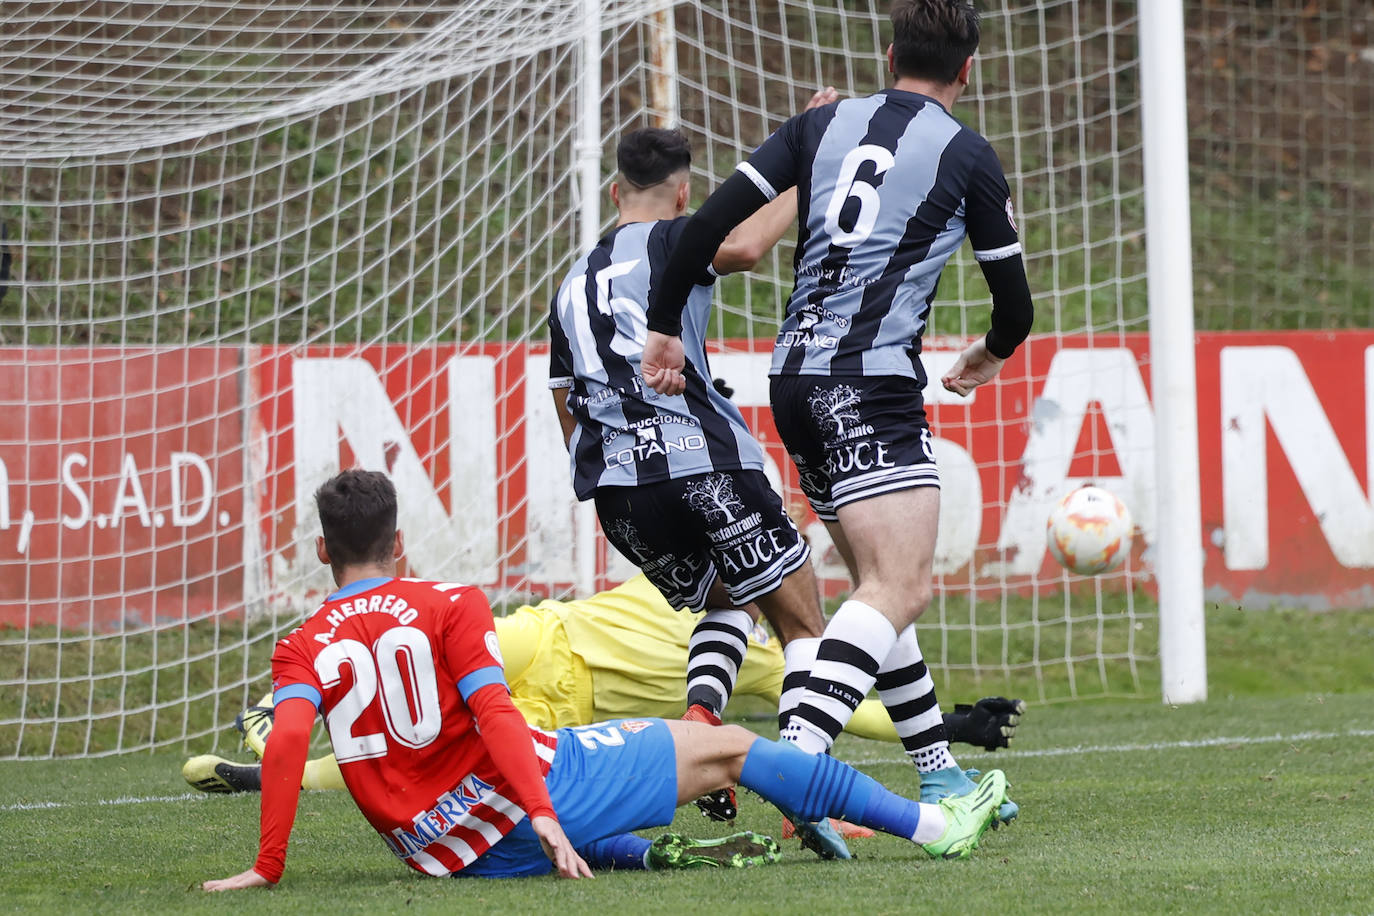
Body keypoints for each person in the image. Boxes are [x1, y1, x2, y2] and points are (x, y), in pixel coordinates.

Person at [200, 469, 1007, 891]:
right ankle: (936, 827)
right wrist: (545, 814)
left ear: (321, 551)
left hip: (437, 851)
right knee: (728, 743)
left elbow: (291, 745)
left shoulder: (302, 642)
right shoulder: (447, 601)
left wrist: (268, 867)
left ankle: (649, 859)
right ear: (399, 543)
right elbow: (494, 715)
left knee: (582, 758)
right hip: (522, 809)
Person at [639, 0, 1034, 820]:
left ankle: (938, 770)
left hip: (795, 382)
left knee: (873, 587)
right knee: (902, 585)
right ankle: (800, 772)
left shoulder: (820, 127)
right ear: (970, 70)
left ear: (889, 54)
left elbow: (702, 228)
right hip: (870, 385)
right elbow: (1016, 307)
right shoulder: (968, 154)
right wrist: (986, 356)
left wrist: (665, 332)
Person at [547, 103, 852, 847]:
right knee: (803, 619)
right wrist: (805, 168)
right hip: (703, 464)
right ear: (685, 194)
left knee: (733, 597)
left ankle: (700, 720)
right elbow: (745, 244)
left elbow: (565, 410)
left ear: (615, 192)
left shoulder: (567, 285)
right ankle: (804, 795)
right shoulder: (680, 234)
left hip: (619, 496)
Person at [183, 573, 1024, 793]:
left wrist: (945, 725)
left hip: (562, 710)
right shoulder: (692, 577)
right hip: (538, 639)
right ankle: (292, 703)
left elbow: (847, 706)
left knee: (432, 752)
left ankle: (272, 769)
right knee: (419, 656)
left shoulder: (768, 655)